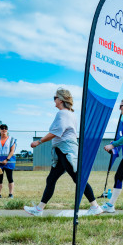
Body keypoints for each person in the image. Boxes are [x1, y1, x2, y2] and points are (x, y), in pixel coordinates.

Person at [24, 88, 102, 216]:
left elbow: (56, 132)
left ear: (60, 100)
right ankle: (39, 209)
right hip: (62, 152)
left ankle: (95, 206)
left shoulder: (63, 114)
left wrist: (39, 142)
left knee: (78, 179)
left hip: (66, 151)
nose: (54, 100)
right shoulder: (70, 114)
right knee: (51, 179)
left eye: (54, 98)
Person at [0, 124, 17, 198]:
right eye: (2, 128)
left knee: (10, 177)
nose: (4, 130)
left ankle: (11, 194)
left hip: (8, 162)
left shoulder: (11, 139)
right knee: (0, 177)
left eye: (5, 128)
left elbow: (12, 151)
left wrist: (7, 159)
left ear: (7, 130)